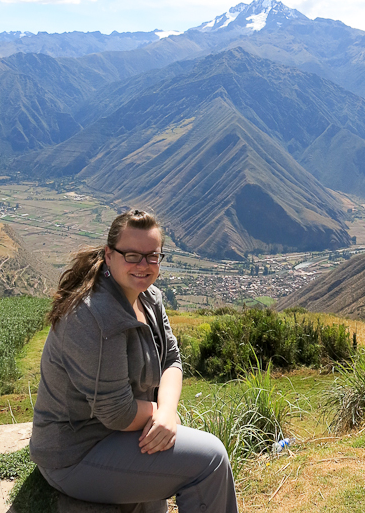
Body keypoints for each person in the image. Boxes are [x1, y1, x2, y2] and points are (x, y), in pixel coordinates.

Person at [30, 209, 238, 513]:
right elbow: (117, 413)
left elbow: (172, 361)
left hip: (122, 435)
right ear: (109, 255)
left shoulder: (149, 298)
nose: (143, 265)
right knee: (211, 460)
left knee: (186, 456)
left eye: (152, 256)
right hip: (77, 453)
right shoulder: (94, 317)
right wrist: (160, 413)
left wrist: (167, 412)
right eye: (132, 256)